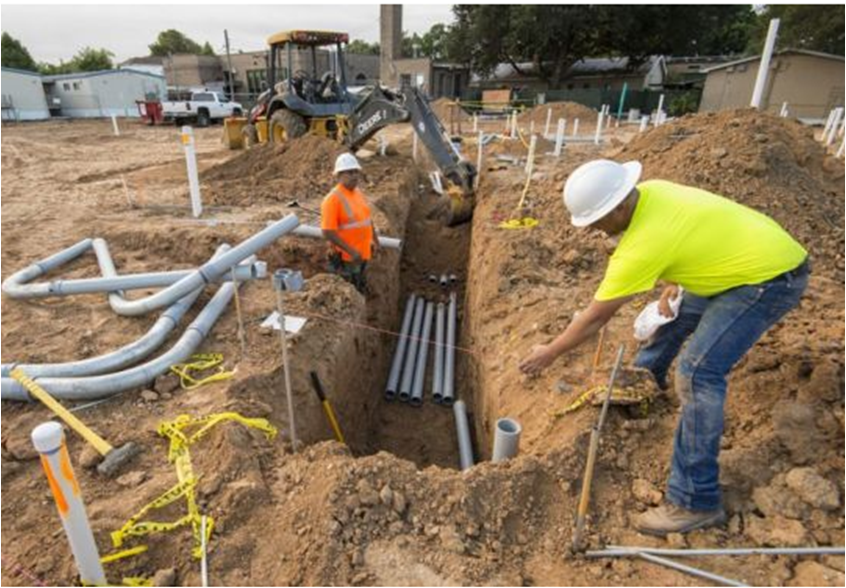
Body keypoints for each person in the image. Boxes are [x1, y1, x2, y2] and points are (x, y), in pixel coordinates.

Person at [519, 159, 809, 536]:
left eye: (596, 220)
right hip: (745, 259)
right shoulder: (652, 191)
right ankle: (642, 386)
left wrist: (551, 351)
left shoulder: (640, 247)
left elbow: (594, 317)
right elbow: (693, 232)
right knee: (671, 318)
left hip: (768, 279)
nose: (591, 230)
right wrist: (676, 279)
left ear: (620, 206)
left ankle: (694, 501)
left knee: (697, 373)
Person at [321, 153, 379, 293]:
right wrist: (351, 251)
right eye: (350, 172)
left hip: (361, 253)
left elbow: (366, 218)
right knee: (350, 291)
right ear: (339, 175)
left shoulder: (357, 193)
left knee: (359, 284)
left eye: (356, 172)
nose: (355, 176)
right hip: (347, 258)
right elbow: (328, 231)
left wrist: (375, 239)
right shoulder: (332, 199)